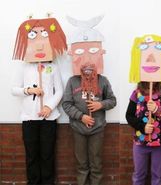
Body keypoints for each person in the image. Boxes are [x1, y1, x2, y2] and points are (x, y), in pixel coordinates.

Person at [12, 16, 67, 185]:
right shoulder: (24, 67)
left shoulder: (53, 66)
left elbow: (59, 91)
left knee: (47, 154)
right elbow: (14, 89)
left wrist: (49, 107)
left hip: (48, 118)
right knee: (32, 154)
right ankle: (33, 182)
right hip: (29, 118)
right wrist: (29, 90)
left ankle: (48, 182)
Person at [62, 15, 116, 185]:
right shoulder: (72, 81)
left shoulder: (103, 80)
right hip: (78, 128)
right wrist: (81, 116)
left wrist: (101, 104)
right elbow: (66, 104)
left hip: (97, 128)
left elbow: (112, 100)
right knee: (81, 164)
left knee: (96, 164)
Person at [127, 35, 161, 185]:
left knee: (158, 176)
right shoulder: (137, 92)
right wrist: (142, 126)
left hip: (159, 143)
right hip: (140, 142)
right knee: (139, 175)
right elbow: (129, 116)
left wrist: (157, 110)